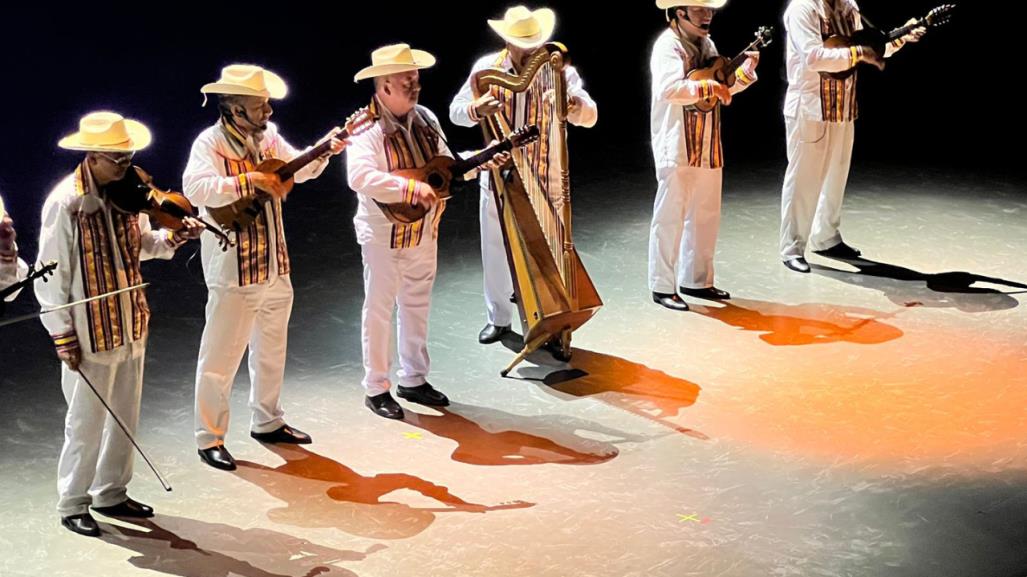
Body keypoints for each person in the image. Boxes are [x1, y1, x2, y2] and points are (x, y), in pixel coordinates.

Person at [35, 111, 203, 537]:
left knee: (125, 415)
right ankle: (73, 500)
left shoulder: (129, 195)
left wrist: (172, 238)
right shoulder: (65, 203)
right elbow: (51, 276)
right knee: (85, 421)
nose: (126, 167)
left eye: (128, 158)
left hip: (130, 320)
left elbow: (142, 246)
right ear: (92, 157)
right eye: (117, 160)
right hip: (89, 330)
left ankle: (112, 491)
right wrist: (61, 333)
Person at [183, 64, 346, 470]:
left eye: (267, 104)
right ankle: (209, 437)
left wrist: (324, 150)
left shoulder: (269, 138)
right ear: (234, 109)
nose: (268, 112)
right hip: (235, 267)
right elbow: (195, 188)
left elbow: (301, 169)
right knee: (221, 357)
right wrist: (247, 181)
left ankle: (268, 420)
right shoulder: (210, 143)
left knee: (271, 349)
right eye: (260, 106)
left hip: (273, 262)